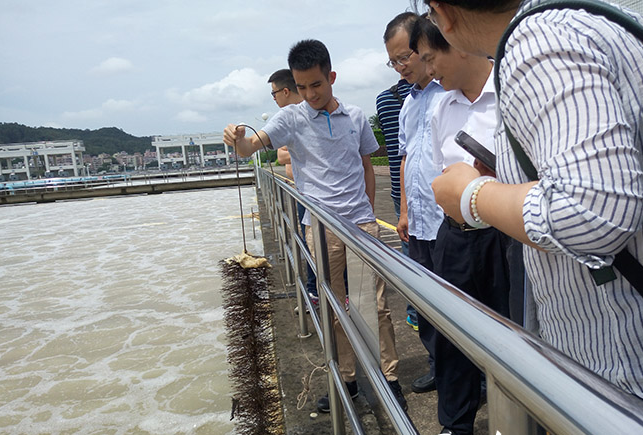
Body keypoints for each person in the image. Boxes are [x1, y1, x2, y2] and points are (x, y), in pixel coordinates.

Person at [423, 0, 643, 401]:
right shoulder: (596, 17)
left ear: (444, 14)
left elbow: (591, 212)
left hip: (620, 361)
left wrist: (471, 195)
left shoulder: (537, 42)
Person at [223, 39, 407, 413]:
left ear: (331, 77)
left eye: (316, 85)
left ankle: (390, 379)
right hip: (319, 228)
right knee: (333, 306)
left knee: (377, 306)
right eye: (302, 86)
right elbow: (250, 148)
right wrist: (238, 139)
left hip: (361, 224)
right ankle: (349, 380)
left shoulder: (355, 117)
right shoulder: (291, 118)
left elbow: (366, 165)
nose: (309, 94)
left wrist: (369, 211)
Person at [411, 18, 510, 435]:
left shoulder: (510, 94)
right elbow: (440, 174)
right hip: (455, 236)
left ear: (458, 44)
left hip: (507, 238)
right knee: (452, 336)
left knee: (512, 333)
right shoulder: (440, 107)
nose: (430, 71)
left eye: (432, 58)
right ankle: (456, 425)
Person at [383, 12, 446, 395]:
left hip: (448, 223)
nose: (400, 66)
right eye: (392, 61)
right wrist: (404, 211)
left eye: (404, 56)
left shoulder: (448, 92)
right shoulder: (409, 103)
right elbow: (405, 158)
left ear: (425, 46)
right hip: (418, 222)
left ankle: (466, 374)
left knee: (457, 302)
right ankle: (439, 364)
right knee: (423, 302)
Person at [376, 77, 415, 329]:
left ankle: (414, 310)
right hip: (423, 189)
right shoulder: (439, 90)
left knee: (410, 253)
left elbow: (396, 152)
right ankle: (418, 311)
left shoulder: (384, 99)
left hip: (397, 187)